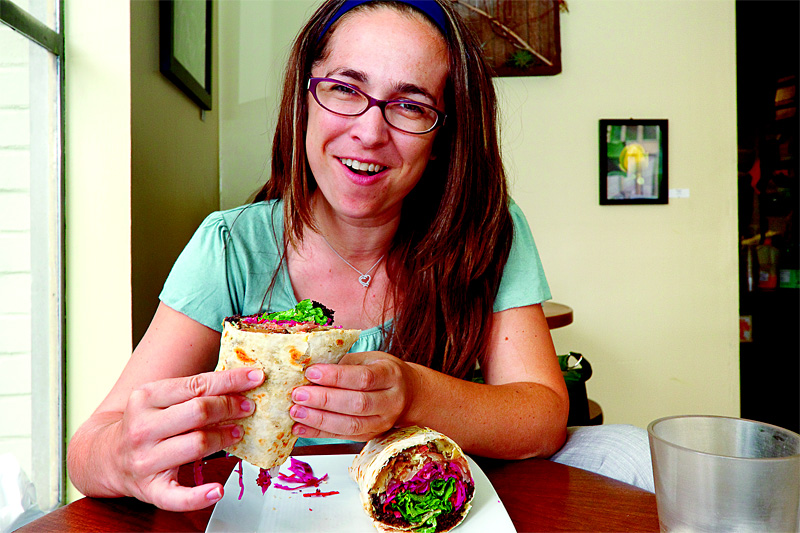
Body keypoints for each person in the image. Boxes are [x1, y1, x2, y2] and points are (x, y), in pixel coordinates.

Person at [67, 0, 651, 513]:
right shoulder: (229, 248)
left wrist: (412, 394)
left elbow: (543, 416)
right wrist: (122, 456)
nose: (370, 132)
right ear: (305, 100)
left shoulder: (488, 230)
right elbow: (88, 450)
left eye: (411, 104)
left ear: (445, 134)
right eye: (345, 89)